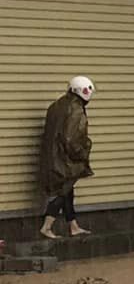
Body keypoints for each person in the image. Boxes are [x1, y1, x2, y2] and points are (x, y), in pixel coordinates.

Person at [37, 76, 94, 240]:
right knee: (64, 191)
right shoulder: (75, 109)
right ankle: (47, 226)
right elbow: (71, 139)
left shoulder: (57, 105)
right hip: (65, 159)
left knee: (68, 190)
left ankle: (73, 225)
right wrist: (83, 151)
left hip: (52, 156)